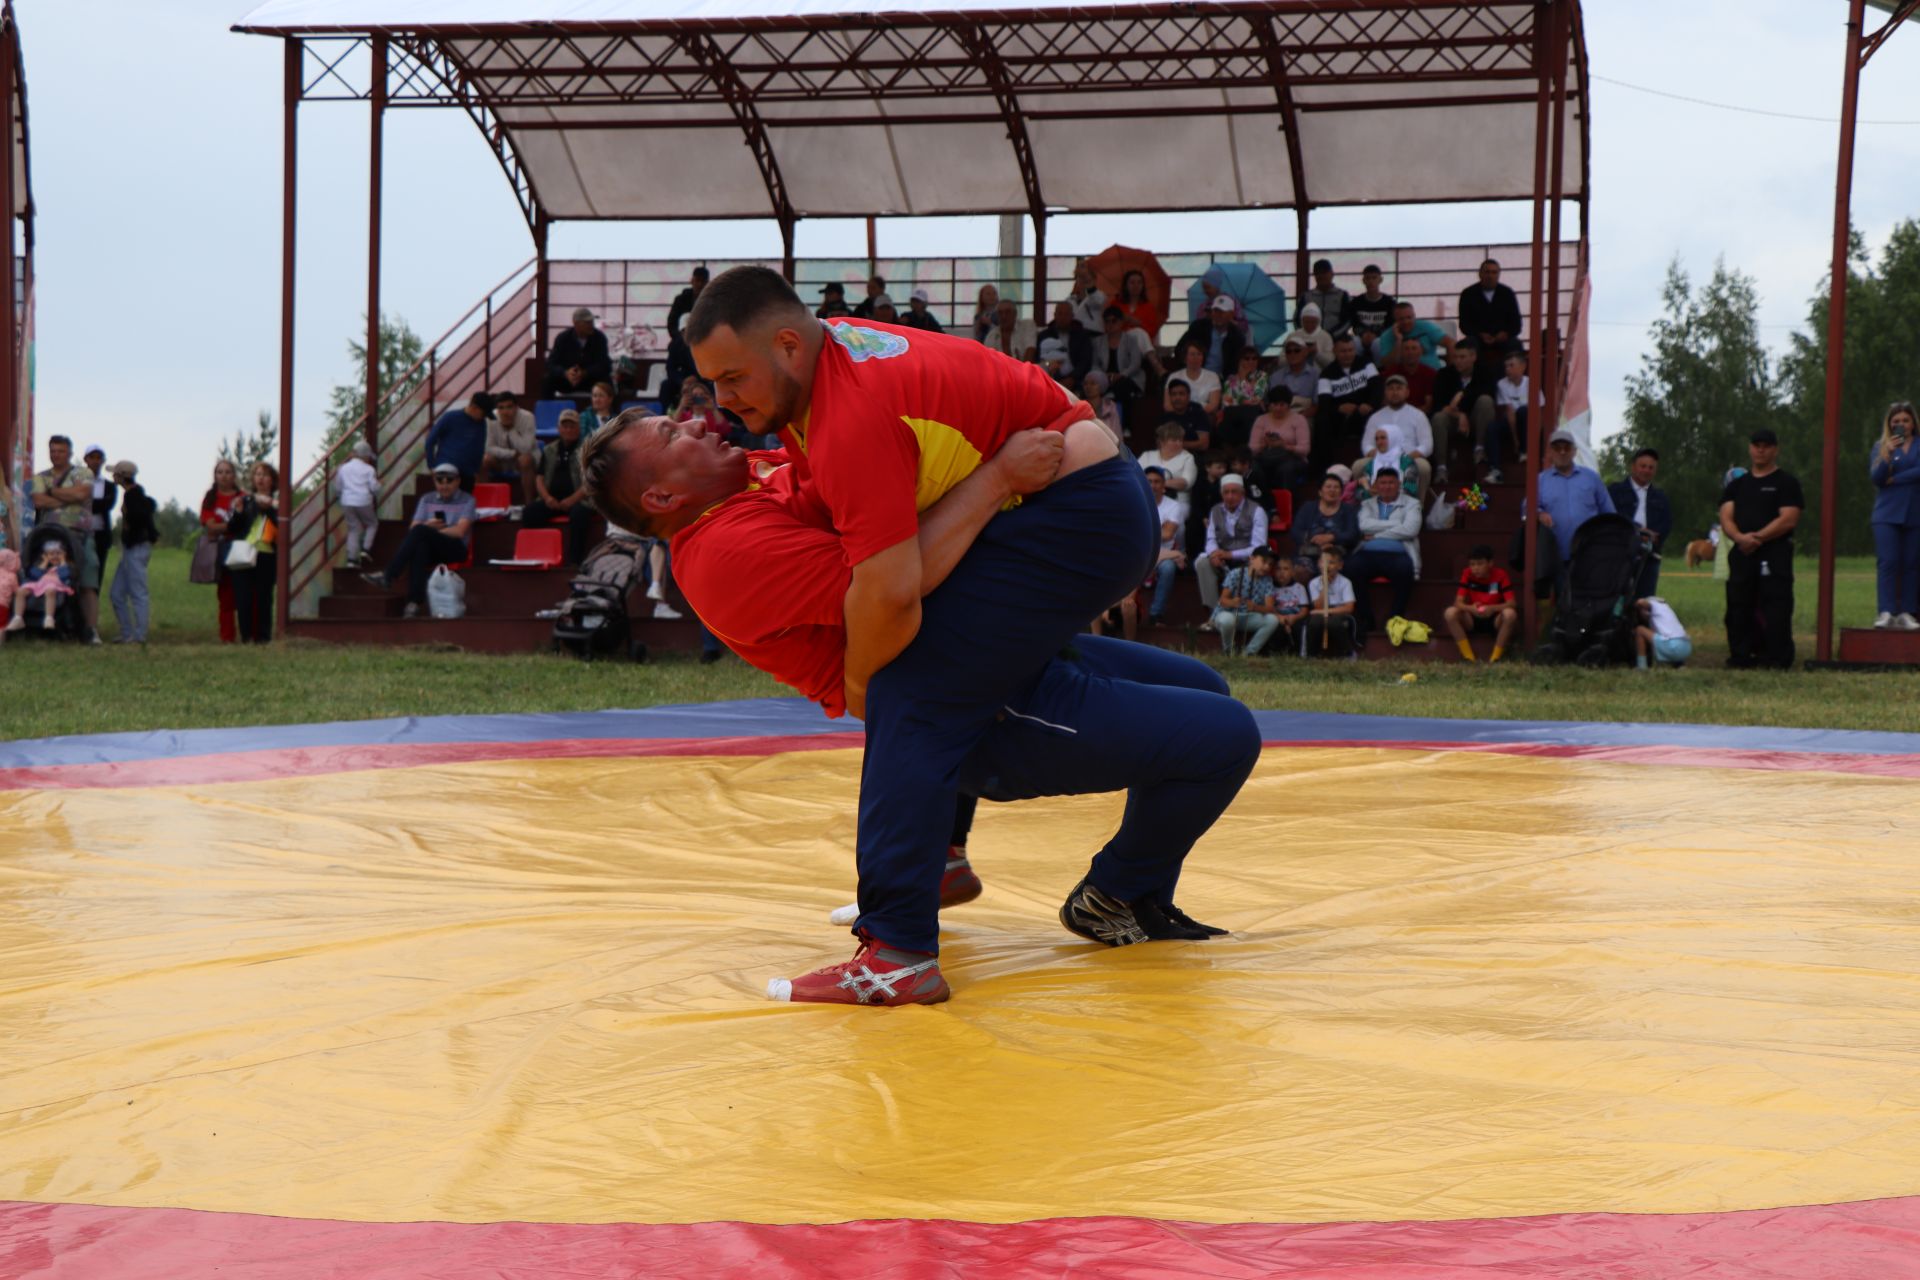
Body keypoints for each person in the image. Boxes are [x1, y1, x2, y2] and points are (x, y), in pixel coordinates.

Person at [597, 267, 1253, 1001]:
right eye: (677, 426)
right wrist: (997, 477)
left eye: (727, 379)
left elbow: (894, 545)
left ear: (789, 344)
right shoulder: (725, 547)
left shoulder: (765, 460)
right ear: (661, 495)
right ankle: (896, 946)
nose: (705, 409)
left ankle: (1104, 892)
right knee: (1213, 733)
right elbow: (887, 601)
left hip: (973, 639)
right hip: (962, 690)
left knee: (1203, 688)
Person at [1720, 427, 1803, 670]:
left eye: (1766, 445)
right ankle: (1740, 656)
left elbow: (1789, 518)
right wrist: (1740, 538)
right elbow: (1726, 516)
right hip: (1742, 553)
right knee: (1738, 605)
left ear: (1775, 450)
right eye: (1756, 445)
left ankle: (1777, 657)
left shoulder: (1786, 483)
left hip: (1774, 552)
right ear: (1750, 448)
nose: (1761, 449)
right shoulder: (1737, 485)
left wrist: (1758, 537)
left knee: (1776, 606)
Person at [362, 462, 476, 618]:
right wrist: (429, 526)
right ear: (434, 481)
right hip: (431, 546)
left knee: (421, 533)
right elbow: (413, 528)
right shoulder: (427, 499)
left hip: (455, 548)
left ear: (457, 481)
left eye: (449, 480)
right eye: (439, 480)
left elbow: (460, 531)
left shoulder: (467, 500)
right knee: (420, 547)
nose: (444, 485)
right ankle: (413, 603)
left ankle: (389, 575)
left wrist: (434, 529)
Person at [29, 435, 103, 644]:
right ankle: (51, 627)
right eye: (52, 451)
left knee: (88, 579)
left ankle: (90, 629)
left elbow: (82, 494)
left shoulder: (83, 472)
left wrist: (52, 491)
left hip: (81, 534)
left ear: (69, 453)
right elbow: (37, 500)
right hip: (50, 537)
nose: (56, 455)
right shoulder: (40, 476)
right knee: (47, 581)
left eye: (60, 451)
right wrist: (66, 496)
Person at [1345, 468, 1421, 638]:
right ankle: (1366, 618)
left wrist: (1377, 534)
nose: (1387, 487)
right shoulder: (1367, 504)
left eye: (1391, 482)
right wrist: (1396, 524)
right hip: (1367, 553)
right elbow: (1363, 526)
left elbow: (1411, 530)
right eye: (1383, 483)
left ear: (1399, 484)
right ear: (1376, 485)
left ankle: (1394, 618)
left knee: (1405, 571)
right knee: (1351, 568)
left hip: (1399, 553)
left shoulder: (1412, 503)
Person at [1868, 401, 1920, 630]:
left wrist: (1897, 479)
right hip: (1888, 513)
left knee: (1911, 563)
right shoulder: (1881, 446)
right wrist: (1887, 455)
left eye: (1905, 420)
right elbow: (1877, 478)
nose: (1901, 425)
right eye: (1896, 421)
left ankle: (1907, 612)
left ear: (1913, 423)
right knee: (1888, 562)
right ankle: (1886, 611)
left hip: (1915, 512)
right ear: (1890, 424)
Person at [522, 408, 595, 566]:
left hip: (579, 500)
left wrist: (572, 499)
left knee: (580, 515)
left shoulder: (587, 450)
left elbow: (591, 481)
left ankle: (575, 561)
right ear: (559, 429)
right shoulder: (549, 449)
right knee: (530, 513)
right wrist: (547, 498)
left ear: (578, 429)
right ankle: (539, 555)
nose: (568, 430)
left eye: (572, 426)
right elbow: (539, 477)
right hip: (552, 499)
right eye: (565, 426)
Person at [1536, 428, 1615, 565]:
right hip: (1554, 555)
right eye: (1557, 448)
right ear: (1550, 452)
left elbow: (1609, 513)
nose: (1562, 452)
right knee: (1560, 586)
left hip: (1589, 554)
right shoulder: (1540, 480)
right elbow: (1526, 508)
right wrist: (1540, 513)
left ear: (1574, 451)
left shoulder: (1592, 478)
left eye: (1566, 447)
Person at [1194, 472, 1268, 614]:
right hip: (1222, 559)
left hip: (1247, 560)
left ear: (1243, 493)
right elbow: (1211, 539)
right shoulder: (1215, 510)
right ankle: (1215, 612)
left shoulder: (1257, 511)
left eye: (1234, 492)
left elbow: (1259, 547)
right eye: (1226, 492)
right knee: (1202, 563)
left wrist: (1230, 554)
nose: (1230, 496)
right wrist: (1214, 554)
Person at [1608, 447, 1674, 600]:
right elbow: (1612, 516)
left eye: (1651, 468)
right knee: (1617, 597)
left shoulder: (1661, 497)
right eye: (1643, 466)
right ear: (1633, 467)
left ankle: (1640, 624)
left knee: (1644, 601)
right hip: (1620, 553)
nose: (1646, 470)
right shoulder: (1615, 491)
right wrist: (1638, 531)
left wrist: (1652, 537)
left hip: (1649, 556)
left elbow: (1667, 522)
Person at [227, 462, 281, 644]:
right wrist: (238, 512)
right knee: (243, 598)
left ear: (272, 481)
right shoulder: (246, 500)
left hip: (266, 555)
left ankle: (263, 637)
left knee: (264, 598)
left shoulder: (279, 504)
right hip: (244, 553)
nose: (261, 478)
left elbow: (282, 527)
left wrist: (270, 508)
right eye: (257, 474)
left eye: (265, 475)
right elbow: (233, 527)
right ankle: (246, 636)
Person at [1314, 333, 1382, 474]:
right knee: (1321, 420)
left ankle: (1374, 464)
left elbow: (1377, 389)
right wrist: (1338, 408)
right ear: (1335, 351)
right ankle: (1325, 468)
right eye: (1343, 351)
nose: (1347, 354)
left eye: (1350, 350)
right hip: (1340, 416)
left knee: (1375, 416)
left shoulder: (1366, 364)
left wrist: (1369, 404)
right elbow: (1324, 403)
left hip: (1365, 411)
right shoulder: (1327, 373)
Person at [109, 460, 158, 645]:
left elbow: (139, 518)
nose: (113, 476)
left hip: (136, 548)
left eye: (116, 474)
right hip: (131, 549)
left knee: (138, 592)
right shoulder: (134, 495)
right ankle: (128, 632)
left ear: (122, 476)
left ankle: (139, 635)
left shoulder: (133, 496)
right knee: (116, 593)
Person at [1431, 342, 1499, 475]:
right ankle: (1441, 467)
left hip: (1476, 418)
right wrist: (1460, 415)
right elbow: (1439, 404)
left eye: (1462, 357)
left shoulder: (1485, 372)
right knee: (1438, 418)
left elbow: (1489, 392)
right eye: (1456, 357)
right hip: (1453, 418)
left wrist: (1464, 394)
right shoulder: (1444, 374)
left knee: (1485, 401)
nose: (1458, 361)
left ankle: (1480, 449)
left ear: (1473, 356)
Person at [1444, 544, 1516, 663]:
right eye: (1472, 564)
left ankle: (1495, 658)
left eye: (1480, 564)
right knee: (1450, 613)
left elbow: (1512, 603)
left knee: (1510, 614)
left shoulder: (1501, 575)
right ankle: (1468, 657)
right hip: (1473, 617)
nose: (1475, 568)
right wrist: (1471, 608)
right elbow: (1458, 603)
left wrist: (1492, 608)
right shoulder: (1467, 573)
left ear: (1490, 563)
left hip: (1494, 619)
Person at [1364, 374, 1434, 496]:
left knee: (1423, 467)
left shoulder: (1418, 415)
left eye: (1398, 388)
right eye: (1391, 389)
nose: (1394, 392)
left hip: (1409, 457)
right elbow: (1366, 445)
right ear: (1385, 392)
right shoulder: (1375, 417)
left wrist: (1406, 459)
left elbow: (1427, 445)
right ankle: (1368, 507)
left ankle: (1418, 507)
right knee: (1358, 466)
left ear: (1407, 392)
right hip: (1380, 458)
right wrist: (1381, 456)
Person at [200, 459, 245, 644]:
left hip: (242, 549)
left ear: (234, 476)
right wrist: (232, 526)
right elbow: (210, 526)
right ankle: (227, 636)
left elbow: (248, 524)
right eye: (220, 472)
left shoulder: (242, 497)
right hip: (220, 549)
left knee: (244, 593)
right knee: (225, 595)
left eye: (228, 472)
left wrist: (226, 526)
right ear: (215, 475)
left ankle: (249, 634)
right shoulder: (211, 498)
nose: (224, 475)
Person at [1213, 545, 1285, 657]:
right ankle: (1228, 650)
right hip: (1230, 614)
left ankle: (1249, 653)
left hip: (1249, 616)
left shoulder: (1267, 580)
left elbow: (1269, 608)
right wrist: (1233, 602)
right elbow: (1222, 600)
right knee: (1228, 620)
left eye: (1270, 564)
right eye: (1264, 561)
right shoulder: (1236, 573)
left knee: (1272, 620)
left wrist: (1255, 607)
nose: (1266, 567)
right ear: (1252, 559)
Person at [1247, 387, 1311, 497]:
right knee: (1253, 467)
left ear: (1288, 405)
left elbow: (1305, 450)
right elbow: (1252, 449)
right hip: (1266, 456)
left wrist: (1284, 445)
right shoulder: (1261, 420)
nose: (1278, 408)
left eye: (1282, 404)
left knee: (1285, 469)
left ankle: (1286, 506)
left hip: (1292, 458)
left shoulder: (1299, 420)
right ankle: (1262, 501)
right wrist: (1265, 444)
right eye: (1274, 404)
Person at [1143, 466, 1187, 625]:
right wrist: (1158, 530)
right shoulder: (1135, 502)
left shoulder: (1173, 506)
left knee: (1168, 568)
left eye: (1157, 482)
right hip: (1139, 552)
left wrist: (1142, 530)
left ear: (1164, 486)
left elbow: (1168, 535)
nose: (1153, 485)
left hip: (1163, 553)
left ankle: (1156, 614)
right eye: (1148, 481)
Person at [1092, 305, 1160, 406]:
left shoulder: (1131, 340)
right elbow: (1094, 364)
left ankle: (1113, 398)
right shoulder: (1097, 342)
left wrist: (1122, 375)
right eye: (1107, 321)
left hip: (1128, 377)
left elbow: (1135, 363)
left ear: (1121, 322)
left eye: (1114, 321)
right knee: (1094, 385)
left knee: (1123, 386)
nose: (1110, 324)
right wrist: (1103, 376)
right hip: (1106, 379)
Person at [424, 392, 495, 487]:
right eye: (483, 414)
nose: (483, 417)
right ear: (474, 407)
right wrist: (431, 465)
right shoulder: (450, 417)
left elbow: (479, 446)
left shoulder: (481, 424)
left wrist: (476, 469)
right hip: (447, 471)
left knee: (466, 500)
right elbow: (430, 441)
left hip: (468, 473)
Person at [1291, 472, 1359, 569]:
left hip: (1338, 554)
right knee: (1300, 569)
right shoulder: (1308, 507)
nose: (1332, 490)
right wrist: (1315, 539)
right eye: (1328, 487)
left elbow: (1352, 534)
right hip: (1310, 552)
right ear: (1320, 492)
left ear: (1341, 492)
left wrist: (1332, 538)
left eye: (1336, 487)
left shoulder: (1349, 510)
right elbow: (1295, 532)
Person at [483, 389, 539, 504]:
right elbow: (489, 448)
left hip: (523, 461)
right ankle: (485, 504)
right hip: (502, 461)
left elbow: (526, 449)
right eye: (501, 408)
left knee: (525, 459)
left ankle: (529, 504)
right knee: (484, 460)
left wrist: (510, 428)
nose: (505, 411)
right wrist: (512, 454)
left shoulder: (528, 417)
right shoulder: (490, 418)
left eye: (509, 407)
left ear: (516, 407)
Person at [1302, 544, 1359, 657]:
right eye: (1324, 562)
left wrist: (1325, 612)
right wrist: (1325, 586)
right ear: (1319, 564)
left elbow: (1349, 608)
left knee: (1334, 622)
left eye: (1332, 562)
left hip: (1340, 612)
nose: (1327, 566)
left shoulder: (1345, 582)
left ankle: (1347, 653)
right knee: (1315, 621)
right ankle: (1312, 655)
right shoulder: (1314, 583)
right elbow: (1318, 607)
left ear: (1340, 565)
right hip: (1321, 611)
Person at [1459, 258, 1523, 357]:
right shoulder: (1468, 294)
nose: (1490, 276)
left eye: (1494, 272)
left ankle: (1513, 372)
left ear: (1498, 275)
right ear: (1480, 274)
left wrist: (1505, 334)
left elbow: (1516, 323)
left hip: (1503, 339)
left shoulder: (1507, 293)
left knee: (1515, 344)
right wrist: (1480, 335)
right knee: (1468, 345)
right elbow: (1464, 324)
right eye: (1487, 272)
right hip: (1477, 339)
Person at [545, 307, 613, 399]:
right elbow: (551, 363)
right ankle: (548, 410)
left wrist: (585, 373)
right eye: (587, 323)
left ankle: (609, 412)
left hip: (590, 380)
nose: (591, 325)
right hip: (568, 380)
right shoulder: (563, 338)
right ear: (575, 323)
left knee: (607, 381)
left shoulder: (599, 338)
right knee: (547, 380)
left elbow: (604, 364)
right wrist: (565, 373)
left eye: (592, 322)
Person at [7, 538, 73, 632]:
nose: (55, 556)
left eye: (58, 554)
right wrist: (45, 562)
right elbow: (34, 576)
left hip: (54, 586)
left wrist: (62, 562)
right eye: (51, 554)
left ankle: (49, 617)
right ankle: (18, 617)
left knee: (50, 590)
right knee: (20, 591)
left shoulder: (64, 566)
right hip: (38, 585)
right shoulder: (41, 564)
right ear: (45, 555)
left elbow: (64, 576)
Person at [1176, 294, 1248, 380]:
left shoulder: (1237, 337)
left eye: (1221, 312)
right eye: (1215, 311)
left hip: (1221, 380)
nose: (1217, 315)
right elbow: (1179, 350)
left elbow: (1234, 366)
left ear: (1231, 314)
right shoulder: (1198, 327)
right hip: (1193, 375)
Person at [333, 440, 380, 568]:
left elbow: (337, 487)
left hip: (347, 501)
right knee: (372, 524)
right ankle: (365, 549)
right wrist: (379, 486)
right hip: (364, 500)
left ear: (354, 454)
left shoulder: (343, 468)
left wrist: (339, 496)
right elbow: (374, 488)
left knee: (353, 529)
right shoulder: (369, 469)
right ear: (365, 456)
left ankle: (351, 560)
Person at [1139, 420, 1197, 521]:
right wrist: (1167, 482)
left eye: (1181, 440)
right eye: (1174, 440)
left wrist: (1154, 483)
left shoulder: (1187, 457)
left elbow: (1186, 482)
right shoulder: (1147, 456)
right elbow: (1135, 478)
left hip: (1177, 502)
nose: (1179, 443)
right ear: (1162, 441)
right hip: (1147, 501)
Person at [1371, 301, 1452, 371]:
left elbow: (1450, 343)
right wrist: (1398, 341)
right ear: (1395, 320)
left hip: (1432, 373)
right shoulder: (1386, 336)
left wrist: (1450, 370)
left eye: (1409, 317)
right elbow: (1389, 365)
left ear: (1414, 316)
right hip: (1403, 379)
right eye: (1401, 319)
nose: (1406, 322)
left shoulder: (1426, 327)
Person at [1489, 350, 1530, 483]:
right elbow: (1509, 411)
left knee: (1524, 411)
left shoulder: (1531, 383)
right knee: (1492, 428)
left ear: (1523, 366)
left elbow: (1539, 410)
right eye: (1506, 366)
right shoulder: (1502, 384)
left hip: (1527, 423)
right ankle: (1495, 469)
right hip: (1511, 421)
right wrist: (1515, 441)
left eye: (1511, 365)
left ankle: (1526, 451)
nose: (1508, 369)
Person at [84, 444, 116, 590]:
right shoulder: (76, 481)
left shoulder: (109, 486)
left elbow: (106, 506)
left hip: (100, 534)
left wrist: (86, 502)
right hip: (80, 532)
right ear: (86, 459)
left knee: (98, 573)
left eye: (99, 458)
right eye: (93, 458)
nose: (96, 461)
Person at [1357, 424, 1418, 499]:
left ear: (1393, 438)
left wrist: (1385, 495)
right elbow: (1358, 494)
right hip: (1374, 505)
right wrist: (1368, 492)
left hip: (1402, 506)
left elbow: (1411, 490)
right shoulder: (1371, 464)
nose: (1379, 442)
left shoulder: (1406, 462)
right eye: (1377, 439)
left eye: (1383, 438)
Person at [1379, 334, 1436, 413]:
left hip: (1420, 417)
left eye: (1414, 348)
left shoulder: (1430, 374)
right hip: (1393, 415)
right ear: (1401, 352)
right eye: (1406, 349)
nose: (1410, 352)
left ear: (1420, 352)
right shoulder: (1390, 373)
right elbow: (1384, 402)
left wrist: (1409, 416)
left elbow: (1428, 405)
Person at [1166, 340, 1223, 418]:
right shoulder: (1174, 376)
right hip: (1178, 417)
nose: (1196, 358)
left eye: (1199, 354)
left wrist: (1194, 415)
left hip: (1203, 417)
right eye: (1192, 354)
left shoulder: (1213, 376)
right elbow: (1167, 405)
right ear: (1185, 357)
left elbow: (1214, 405)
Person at [1633, 597, 1691, 670]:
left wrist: (1635, 606)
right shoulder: (1666, 609)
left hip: (1673, 647)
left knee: (1640, 630)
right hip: (1686, 647)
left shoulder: (1653, 604)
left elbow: (1640, 602)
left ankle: (1641, 666)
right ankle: (1679, 665)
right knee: (1666, 636)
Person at [1295, 259, 1350, 335]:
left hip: (1337, 339)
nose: (1321, 276)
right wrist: (1307, 335)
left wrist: (1330, 336)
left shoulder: (1343, 295)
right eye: (1317, 273)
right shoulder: (1306, 297)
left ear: (1332, 274)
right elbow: (1297, 320)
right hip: (1309, 338)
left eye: (1324, 272)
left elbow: (1347, 321)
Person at [1347, 264, 1396, 348]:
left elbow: (1391, 325)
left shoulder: (1390, 302)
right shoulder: (1356, 302)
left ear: (1380, 280)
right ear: (1363, 280)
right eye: (1368, 278)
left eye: (1374, 278)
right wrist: (1363, 334)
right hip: (1361, 338)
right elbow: (1354, 324)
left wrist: (1376, 335)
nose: (1371, 281)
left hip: (1382, 338)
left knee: (1377, 343)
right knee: (1354, 342)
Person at [982, 297, 1037, 362]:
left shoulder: (1027, 326)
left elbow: (1030, 350)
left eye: (1007, 312)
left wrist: (1022, 370)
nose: (1004, 316)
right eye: (1000, 313)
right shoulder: (991, 336)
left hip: (1024, 369)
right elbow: (988, 360)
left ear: (1015, 314)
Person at [1162, 380, 1212, 451]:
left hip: (1196, 456)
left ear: (1188, 396)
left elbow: (1204, 445)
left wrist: (1176, 445)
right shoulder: (1166, 418)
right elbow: (1162, 444)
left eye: (1181, 394)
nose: (1177, 398)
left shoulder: (1199, 414)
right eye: (1173, 394)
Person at [1113, 268, 1161, 339]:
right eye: (1132, 282)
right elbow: (1109, 327)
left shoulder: (1149, 307)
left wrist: (1139, 324)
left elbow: (1153, 332)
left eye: (1139, 282)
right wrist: (1123, 321)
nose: (1136, 285)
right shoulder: (1116, 304)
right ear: (1125, 285)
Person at [1272, 336, 1321, 406]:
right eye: (1288, 351)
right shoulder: (1276, 377)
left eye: (1297, 350)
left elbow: (1317, 404)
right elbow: (1273, 404)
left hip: (1308, 415)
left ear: (1306, 352)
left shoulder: (1316, 375)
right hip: (1282, 414)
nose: (1292, 354)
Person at [1283, 303, 1335, 369]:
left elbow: (1331, 363)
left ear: (1319, 321)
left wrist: (1317, 354)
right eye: (1306, 322)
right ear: (1302, 321)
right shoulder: (1293, 336)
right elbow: (1281, 361)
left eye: (1313, 322)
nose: (1309, 325)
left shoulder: (1326, 337)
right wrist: (1298, 354)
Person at [1082, 371, 1125, 444]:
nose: (1088, 387)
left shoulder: (1110, 406)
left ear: (1101, 385)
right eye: (1085, 384)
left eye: (1093, 383)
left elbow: (1117, 432)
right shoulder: (1080, 405)